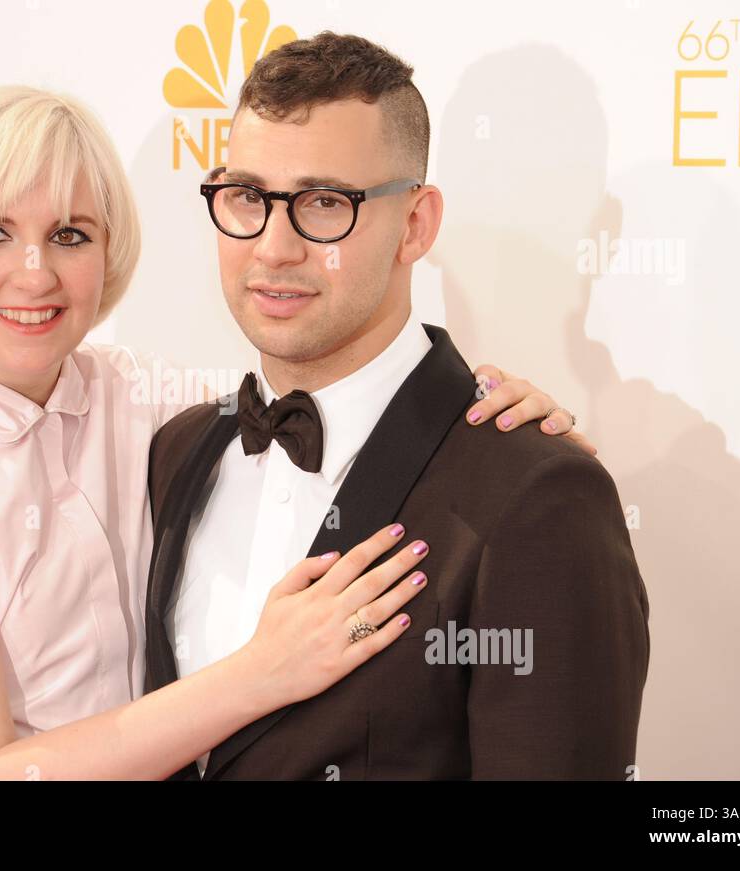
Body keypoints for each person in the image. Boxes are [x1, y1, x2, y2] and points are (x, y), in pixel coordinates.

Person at [0, 85, 582, 780]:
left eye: (70, 235)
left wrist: (497, 419)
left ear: (110, 253)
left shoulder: (134, 398)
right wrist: (258, 673)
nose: (35, 272)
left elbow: (316, 404)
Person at [145, 32, 650, 780]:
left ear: (415, 224)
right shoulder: (177, 450)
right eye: (249, 196)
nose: (274, 247)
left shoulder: (536, 493)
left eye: (324, 202)